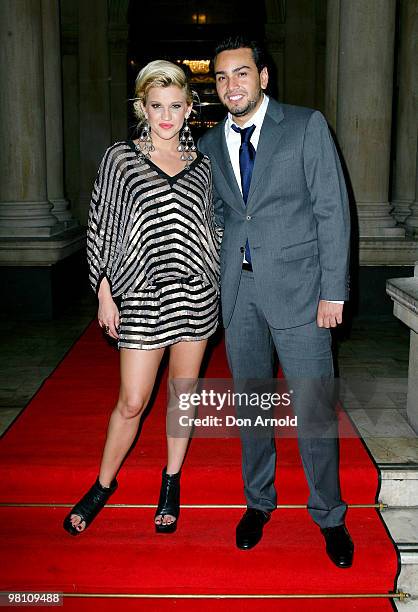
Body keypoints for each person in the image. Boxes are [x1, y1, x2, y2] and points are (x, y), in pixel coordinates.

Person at [198, 36, 353, 568]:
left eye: (241, 74)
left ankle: (329, 515)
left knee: (313, 409)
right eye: (221, 78)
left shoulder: (306, 125)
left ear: (264, 76)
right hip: (239, 296)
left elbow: (332, 209)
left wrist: (333, 290)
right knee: (252, 408)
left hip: (302, 294)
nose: (230, 86)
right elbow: (220, 216)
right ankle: (259, 504)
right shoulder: (212, 143)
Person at [63, 60, 220, 536]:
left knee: (182, 397)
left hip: (195, 296)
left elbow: (214, 227)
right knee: (132, 401)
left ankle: (170, 481)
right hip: (140, 296)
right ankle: (102, 484)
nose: (166, 116)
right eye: (157, 106)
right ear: (142, 108)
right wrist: (105, 294)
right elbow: (101, 226)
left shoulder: (204, 166)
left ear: (190, 109)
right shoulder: (120, 159)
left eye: (175, 106)